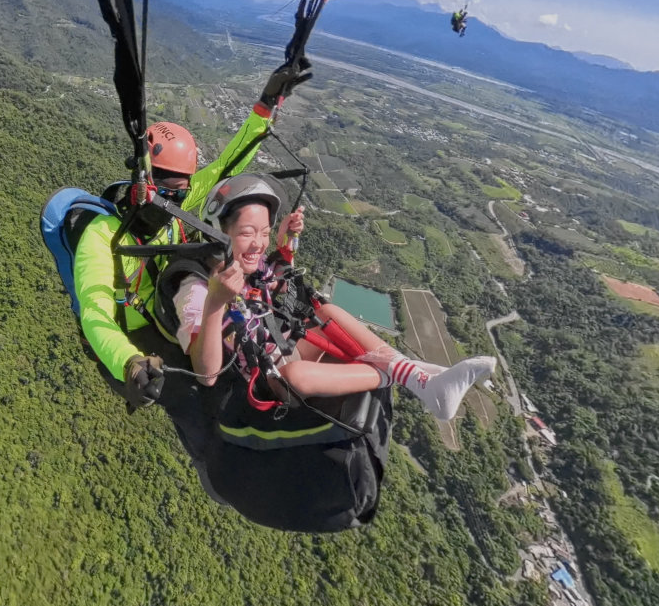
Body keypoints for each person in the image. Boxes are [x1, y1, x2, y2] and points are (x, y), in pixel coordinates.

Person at [72, 59, 313, 412]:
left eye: (182, 191)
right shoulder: (100, 237)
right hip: (144, 327)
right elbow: (94, 312)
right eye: (167, 189)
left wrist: (266, 106)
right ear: (144, 181)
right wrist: (128, 361)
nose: (174, 200)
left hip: (181, 296)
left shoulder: (182, 198)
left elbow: (229, 163)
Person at [175, 174, 496, 421]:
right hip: (267, 380)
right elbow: (207, 375)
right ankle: (415, 378)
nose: (259, 243)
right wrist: (216, 303)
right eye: (247, 233)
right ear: (218, 232)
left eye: (264, 232)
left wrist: (287, 242)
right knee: (296, 376)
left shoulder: (251, 265)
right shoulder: (198, 288)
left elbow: (278, 282)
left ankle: (415, 378)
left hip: (282, 349)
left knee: (325, 311)